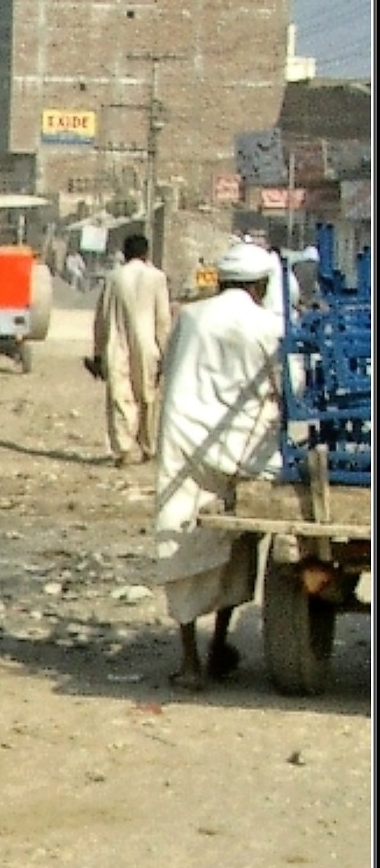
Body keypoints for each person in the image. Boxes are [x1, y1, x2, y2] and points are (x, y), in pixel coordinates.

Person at [153, 241, 285, 690]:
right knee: (237, 547)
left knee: (182, 545)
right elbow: (288, 386)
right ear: (261, 285)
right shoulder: (269, 326)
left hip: (185, 447)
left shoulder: (190, 317)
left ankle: (190, 662)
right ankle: (217, 648)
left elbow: (168, 372)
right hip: (247, 452)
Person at [92, 233, 173, 466]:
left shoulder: (113, 278)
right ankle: (148, 447)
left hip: (116, 344)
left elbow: (101, 317)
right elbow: (163, 319)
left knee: (120, 396)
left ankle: (122, 449)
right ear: (146, 253)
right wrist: (165, 351)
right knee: (147, 396)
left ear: (125, 253)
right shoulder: (157, 278)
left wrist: (97, 352)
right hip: (148, 344)